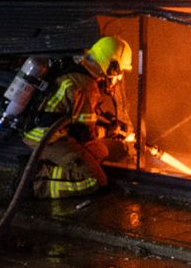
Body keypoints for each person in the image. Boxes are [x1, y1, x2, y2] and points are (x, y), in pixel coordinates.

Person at [22, 35, 134, 199]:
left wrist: (108, 127)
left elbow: (79, 118)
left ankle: (51, 165)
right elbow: (85, 134)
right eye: (120, 72)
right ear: (112, 67)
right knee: (94, 181)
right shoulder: (86, 85)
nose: (119, 77)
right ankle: (37, 183)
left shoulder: (77, 67)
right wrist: (110, 131)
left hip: (49, 131)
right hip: (46, 138)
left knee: (100, 152)